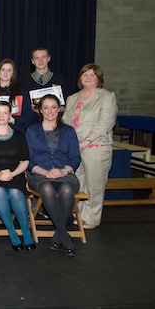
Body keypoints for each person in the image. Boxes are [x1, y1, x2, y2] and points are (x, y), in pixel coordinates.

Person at [62, 64, 117, 229]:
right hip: (75, 148)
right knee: (79, 183)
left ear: (99, 79)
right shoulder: (73, 98)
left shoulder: (106, 96)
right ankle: (79, 214)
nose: (88, 78)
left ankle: (92, 218)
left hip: (96, 147)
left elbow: (106, 121)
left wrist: (86, 141)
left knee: (95, 184)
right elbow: (65, 121)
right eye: (85, 74)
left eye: (92, 75)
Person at [26, 94, 81, 257]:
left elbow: (76, 157)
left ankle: (59, 236)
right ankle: (65, 237)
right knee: (47, 188)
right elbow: (27, 159)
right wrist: (45, 172)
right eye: (46, 107)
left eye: (53, 107)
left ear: (59, 109)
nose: (50, 111)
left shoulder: (69, 131)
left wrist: (64, 171)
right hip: (40, 175)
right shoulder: (31, 131)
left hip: (65, 174)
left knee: (67, 190)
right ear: (40, 110)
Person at [0, 101, 35, 251]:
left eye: (5, 112)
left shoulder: (19, 135)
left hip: (14, 173)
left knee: (16, 193)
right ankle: (11, 231)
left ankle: (25, 231)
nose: (2, 115)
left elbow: (25, 160)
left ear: (10, 115)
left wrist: (12, 173)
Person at [20, 47, 73, 119]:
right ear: (32, 61)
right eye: (37, 58)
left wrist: (56, 109)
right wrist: (30, 108)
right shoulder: (24, 82)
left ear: (49, 58)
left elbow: (68, 106)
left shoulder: (61, 80)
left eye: (43, 57)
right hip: (31, 125)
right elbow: (21, 109)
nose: (40, 60)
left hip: (55, 124)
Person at [0, 59, 34, 132]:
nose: (5, 73)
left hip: (16, 131)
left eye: (9, 70)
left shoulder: (21, 92)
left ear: (13, 74)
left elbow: (27, 115)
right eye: (3, 70)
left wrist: (13, 120)